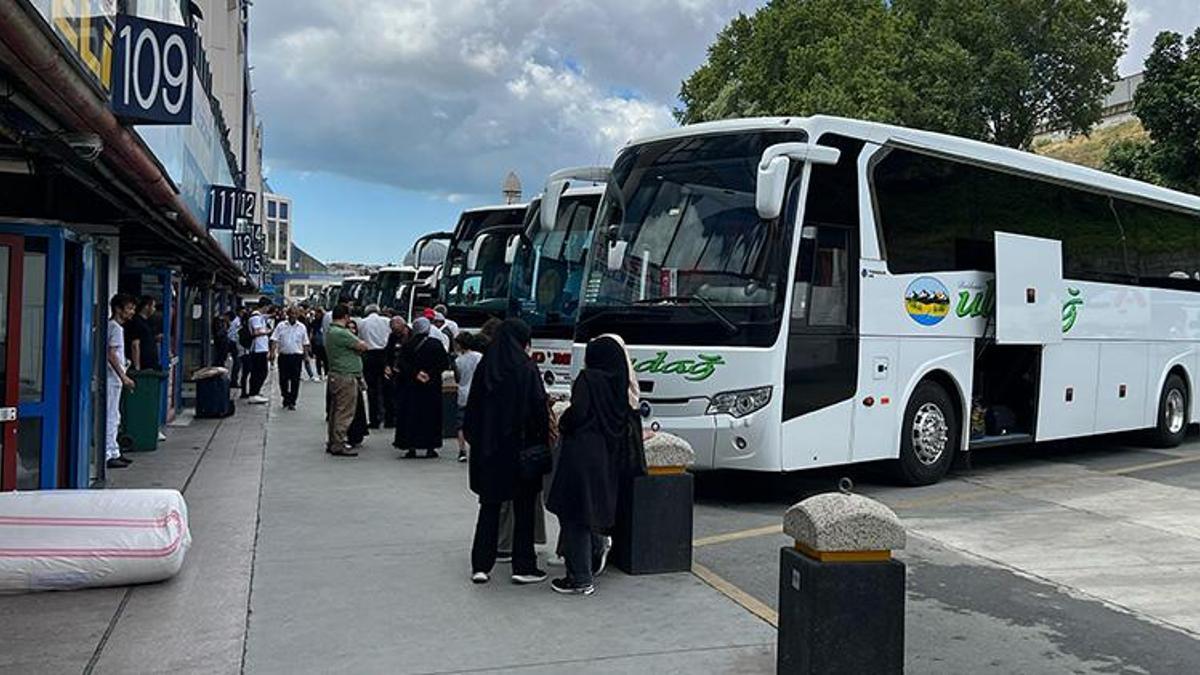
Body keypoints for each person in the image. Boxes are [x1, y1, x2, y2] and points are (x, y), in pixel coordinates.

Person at [546, 335, 644, 595]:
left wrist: (564, 419)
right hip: (606, 456)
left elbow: (578, 413)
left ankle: (580, 577)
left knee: (574, 514)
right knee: (590, 511)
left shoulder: (589, 380)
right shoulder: (621, 385)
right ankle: (595, 553)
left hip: (581, 457)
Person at [464, 319, 549, 585]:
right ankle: (523, 566)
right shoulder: (526, 368)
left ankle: (481, 565)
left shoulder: (485, 367)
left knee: (489, 509)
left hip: (489, 452)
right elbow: (538, 411)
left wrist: (478, 441)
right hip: (521, 452)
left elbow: (472, 413)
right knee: (524, 511)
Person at [394, 317, 449, 458]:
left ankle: (410, 446)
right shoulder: (436, 344)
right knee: (430, 416)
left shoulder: (407, 345)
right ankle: (430, 446)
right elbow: (444, 363)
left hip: (411, 387)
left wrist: (416, 374)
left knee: (411, 415)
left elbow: (401, 364)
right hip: (431, 387)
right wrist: (429, 374)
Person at [324, 304, 367, 456]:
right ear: (346, 317)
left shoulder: (330, 331)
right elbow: (362, 346)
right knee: (345, 412)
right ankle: (339, 443)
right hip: (346, 376)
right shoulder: (341, 333)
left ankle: (333, 441)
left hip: (336, 375)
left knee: (336, 410)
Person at [105, 294, 137, 470]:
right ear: (118, 309)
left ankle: (114, 450)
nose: (132, 312)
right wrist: (123, 376)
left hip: (114, 377)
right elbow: (111, 354)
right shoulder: (115, 328)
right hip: (112, 378)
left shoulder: (111, 327)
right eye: (129, 308)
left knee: (115, 415)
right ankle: (109, 453)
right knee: (111, 416)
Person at [357, 304, 391, 429]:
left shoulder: (362, 323)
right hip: (384, 354)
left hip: (369, 356)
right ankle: (388, 418)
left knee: (372, 389)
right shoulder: (386, 321)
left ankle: (374, 419)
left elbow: (360, 339)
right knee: (386, 387)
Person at [271, 307, 310, 411]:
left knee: (295, 380)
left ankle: (292, 401)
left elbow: (305, 342)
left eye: (295, 313)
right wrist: (272, 353)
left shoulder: (302, 327)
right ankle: (285, 397)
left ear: (298, 315)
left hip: (296, 356)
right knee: (283, 379)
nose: (293, 315)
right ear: (288, 314)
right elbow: (274, 339)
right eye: (291, 313)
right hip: (284, 356)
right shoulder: (281, 326)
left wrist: (306, 356)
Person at [452, 332, 482, 463]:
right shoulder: (479, 357)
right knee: (477, 422)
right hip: (477, 394)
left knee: (461, 425)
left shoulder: (458, 361)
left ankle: (462, 450)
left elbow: (457, 379)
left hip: (463, 393)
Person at [383, 316, 409, 429]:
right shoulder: (392, 336)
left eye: (398, 331)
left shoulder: (411, 336)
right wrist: (387, 365)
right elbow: (388, 352)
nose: (396, 333)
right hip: (394, 370)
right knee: (391, 395)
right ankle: (391, 419)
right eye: (394, 331)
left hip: (407, 371)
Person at [246, 298, 272, 404]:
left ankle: (256, 392)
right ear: (265, 306)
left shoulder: (260, 317)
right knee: (260, 371)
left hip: (261, 347)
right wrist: (268, 331)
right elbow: (256, 332)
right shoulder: (255, 317)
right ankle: (253, 393)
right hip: (258, 348)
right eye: (268, 307)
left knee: (260, 371)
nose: (269, 309)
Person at [126, 295, 160, 372]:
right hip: (144, 365)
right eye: (153, 306)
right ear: (147, 306)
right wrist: (137, 366)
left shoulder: (147, 322)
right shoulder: (137, 322)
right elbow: (135, 344)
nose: (154, 309)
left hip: (150, 364)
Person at [310, 308, 328, 380]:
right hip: (317, 343)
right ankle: (319, 373)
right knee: (318, 359)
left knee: (325, 359)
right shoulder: (314, 322)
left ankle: (326, 373)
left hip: (324, 342)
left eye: (318, 313)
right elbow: (311, 332)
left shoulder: (324, 321)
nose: (317, 315)